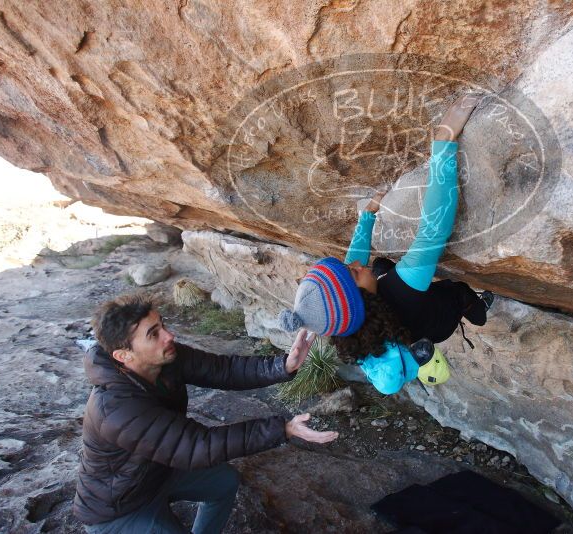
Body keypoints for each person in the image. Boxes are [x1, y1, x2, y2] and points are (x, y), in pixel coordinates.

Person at [279, 93, 493, 393]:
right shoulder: (403, 287)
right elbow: (433, 230)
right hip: (441, 316)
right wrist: (443, 143)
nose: (353, 263)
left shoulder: (352, 322)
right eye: (351, 272)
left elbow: (354, 263)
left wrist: (369, 214)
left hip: (408, 321)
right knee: (456, 290)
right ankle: (477, 308)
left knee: (379, 266)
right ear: (358, 298)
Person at [73, 294, 337, 533]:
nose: (169, 335)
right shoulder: (115, 409)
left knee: (224, 482)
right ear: (124, 355)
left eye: (162, 324)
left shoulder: (165, 359)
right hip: (121, 507)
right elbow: (197, 446)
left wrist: (284, 365)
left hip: (159, 472)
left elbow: (222, 370)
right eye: (153, 334)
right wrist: (284, 429)